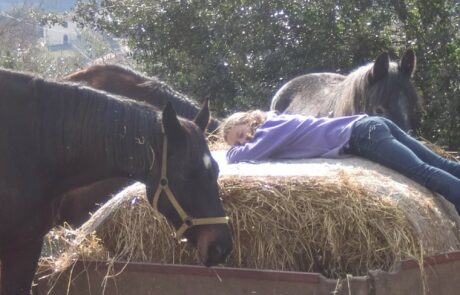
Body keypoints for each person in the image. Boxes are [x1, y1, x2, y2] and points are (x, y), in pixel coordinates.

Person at [220, 111, 460, 214]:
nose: (243, 142)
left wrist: (229, 152)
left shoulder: (268, 129)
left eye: (240, 134)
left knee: (423, 173)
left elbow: (243, 156)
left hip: (362, 136)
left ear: (249, 120)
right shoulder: (275, 122)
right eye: (237, 142)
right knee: (443, 165)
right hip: (371, 124)